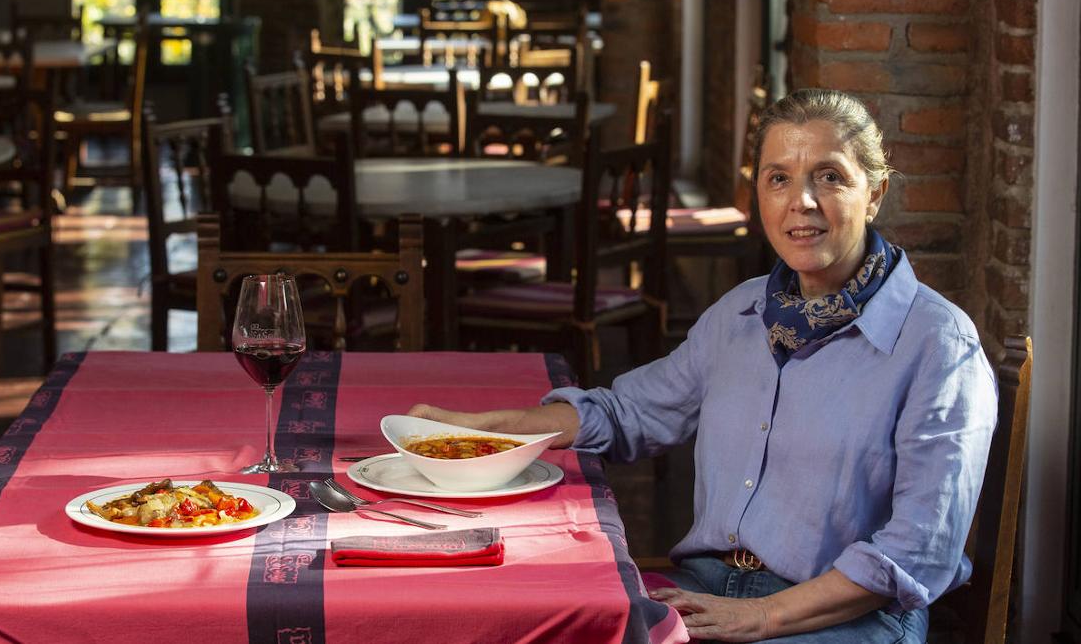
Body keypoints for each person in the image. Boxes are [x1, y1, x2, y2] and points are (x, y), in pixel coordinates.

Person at [409, 88, 997, 643]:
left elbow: (918, 551)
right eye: (779, 179)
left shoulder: (939, 344)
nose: (803, 202)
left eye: (830, 177)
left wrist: (761, 616)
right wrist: (474, 432)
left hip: (846, 618)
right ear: (756, 194)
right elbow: (625, 414)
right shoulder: (738, 314)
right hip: (707, 590)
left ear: (875, 192)